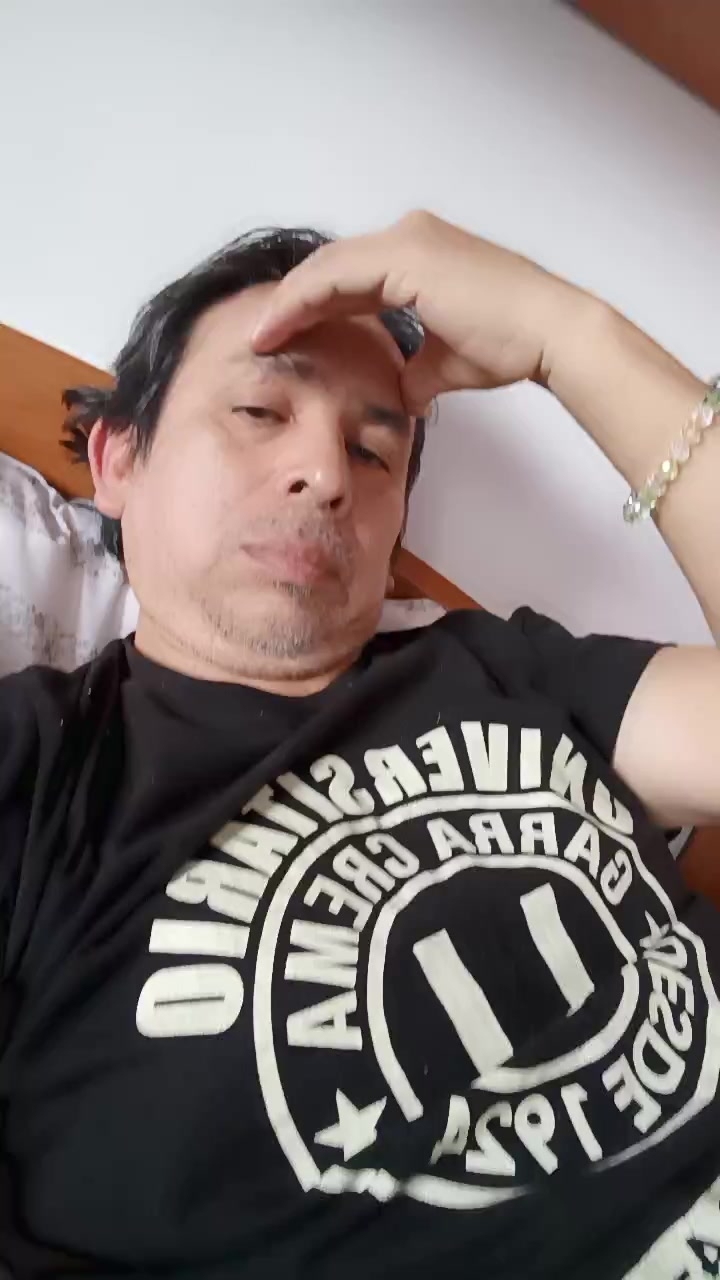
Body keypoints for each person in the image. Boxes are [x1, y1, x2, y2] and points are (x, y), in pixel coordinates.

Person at [1, 211, 719, 1280]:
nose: (326, 473)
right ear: (117, 458)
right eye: (259, 409)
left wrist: (569, 335)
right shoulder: (37, 764)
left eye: (374, 450)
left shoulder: (507, 668)